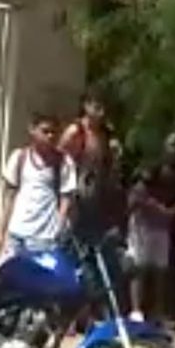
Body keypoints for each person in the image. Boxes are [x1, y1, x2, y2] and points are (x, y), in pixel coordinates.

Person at [0, 111, 78, 256]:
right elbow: (9, 197)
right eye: (45, 131)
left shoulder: (64, 162)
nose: (50, 136)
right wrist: (0, 233)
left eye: (54, 132)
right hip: (17, 235)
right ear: (32, 130)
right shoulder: (18, 157)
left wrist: (59, 227)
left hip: (44, 238)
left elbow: (66, 198)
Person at [127, 135, 175, 322]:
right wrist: (159, 209)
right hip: (142, 224)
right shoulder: (152, 168)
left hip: (162, 226)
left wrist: (174, 211)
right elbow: (137, 195)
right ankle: (136, 310)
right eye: (172, 144)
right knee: (139, 267)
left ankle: (157, 311)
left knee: (160, 270)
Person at [60, 89, 114, 239]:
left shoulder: (105, 135)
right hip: (75, 194)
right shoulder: (75, 131)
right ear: (86, 106)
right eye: (97, 108)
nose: (101, 113)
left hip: (95, 194)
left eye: (104, 109)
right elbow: (58, 159)